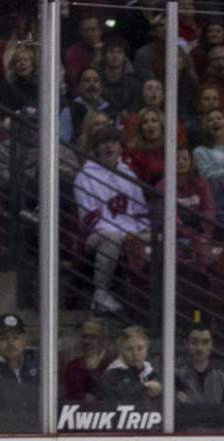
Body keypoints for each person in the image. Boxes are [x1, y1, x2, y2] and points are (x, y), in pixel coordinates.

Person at [74, 129, 149, 315]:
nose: (109, 146)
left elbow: (140, 211)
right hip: (95, 234)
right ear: (96, 147)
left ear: (121, 148)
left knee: (159, 237)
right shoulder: (85, 175)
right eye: (104, 142)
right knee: (112, 237)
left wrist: (139, 232)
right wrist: (125, 233)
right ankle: (101, 294)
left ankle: (145, 298)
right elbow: (87, 218)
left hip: (129, 231)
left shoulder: (128, 174)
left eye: (114, 142)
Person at [175, 324, 224, 429]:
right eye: (194, 342)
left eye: (205, 342)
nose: (199, 347)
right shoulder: (175, 376)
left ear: (212, 345)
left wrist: (190, 405)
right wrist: (216, 409)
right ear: (186, 344)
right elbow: (175, 418)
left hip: (215, 440)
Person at [98, 326, 164, 410]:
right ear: (120, 350)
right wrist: (144, 387)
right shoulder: (111, 375)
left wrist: (160, 392)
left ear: (147, 349)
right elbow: (117, 401)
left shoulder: (154, 373)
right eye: (129, 349)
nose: (135, 353)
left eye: (140, 348)